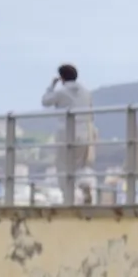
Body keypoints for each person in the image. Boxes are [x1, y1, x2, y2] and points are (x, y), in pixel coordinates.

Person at [42, 63, 97, 204]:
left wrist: (51, 86)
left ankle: (68, 199)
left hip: (66, 133)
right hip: (84, 132)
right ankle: (85, 188)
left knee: (63, 166)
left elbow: (45, 101)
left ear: (61, 77)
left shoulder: (61, 92)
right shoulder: (86, 92)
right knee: (81, 166)